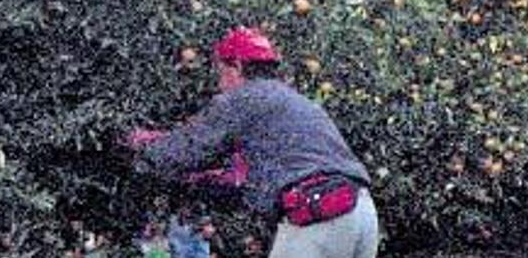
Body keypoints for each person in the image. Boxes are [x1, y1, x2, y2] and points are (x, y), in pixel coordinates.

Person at [129, 27, 379, 258]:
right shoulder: (292, 101)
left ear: (236, 66)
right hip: (362, 214)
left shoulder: (242, 98)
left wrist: (139, 146)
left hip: (319, 212)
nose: (219, 82)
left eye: (220, 72)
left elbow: (188, 149)